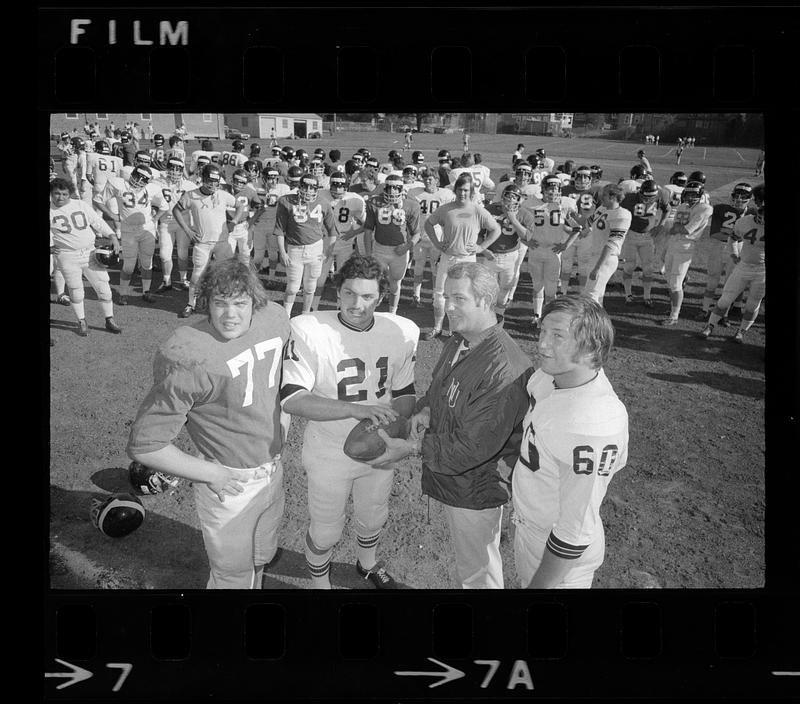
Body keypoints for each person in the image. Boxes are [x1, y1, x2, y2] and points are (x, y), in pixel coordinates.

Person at [127, 258, 291, 589]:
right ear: (207, 303)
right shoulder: (190, 353)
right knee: (232, 578)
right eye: (220, 303)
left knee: (260, 558)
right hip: (230, 481)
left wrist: (283, 421)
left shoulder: (274, 318)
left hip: (273, 468)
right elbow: (145, 445)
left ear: (255, 302)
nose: (230, 314)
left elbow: (283, 377)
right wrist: (211, 473)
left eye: (240, 303)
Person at [368, 262, 533, 588]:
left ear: (485, 301)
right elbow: (438, 389)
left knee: (478, 573)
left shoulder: (503, 369)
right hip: (458, 479)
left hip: (475, 486)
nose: (448, 306)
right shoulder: (460, 340)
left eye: (459, 298)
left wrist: (413, 447)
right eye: (447, 296)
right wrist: (426, 411)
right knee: (469, 565)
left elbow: (473, 447)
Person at [280, 254, 420, 589]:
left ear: (381, 297)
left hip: (377, 442)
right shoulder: (309, 328)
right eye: (349, 294)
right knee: (327, 527)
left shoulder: (400, 330)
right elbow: (292, 398)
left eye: (368, 296)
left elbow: (404, 391)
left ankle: (368, 565)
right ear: (337, 292)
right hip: (330, 448)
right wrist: (354, 409)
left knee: (374, 515)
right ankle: (319, 583)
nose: (357, 304)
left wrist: (397, 426)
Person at [512, 294, 628, 588]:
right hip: (531, 529)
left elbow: (574, 532)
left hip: (560, 560)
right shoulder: (548, 377)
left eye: (558, 336)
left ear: (591, 349)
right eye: (542, 332)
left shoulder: (592, 425)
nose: (542, 344)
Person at [421, 173, 501, 340]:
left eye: (466, 190)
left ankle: (455, 329)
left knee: (463, 294)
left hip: (467, 260)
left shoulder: (478, 210)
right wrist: (436, 242)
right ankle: (437, 327)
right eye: (459, 190)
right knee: (440, 293)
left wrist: (481, 247)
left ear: (471, 191)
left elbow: (496, 229)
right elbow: (428, 223)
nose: (462, 193)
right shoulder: (446, 209)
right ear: (455, 190)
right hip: (448, 257)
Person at [49, 178, 123, 337]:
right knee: (76, 291)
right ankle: (81, 321)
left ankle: (109, 319)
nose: (60, 197)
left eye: (64, 194)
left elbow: (97, 221)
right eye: (56, 193)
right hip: (67, 256)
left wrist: (112, 235)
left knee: (104, 288)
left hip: (90, 252)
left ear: (70, 194)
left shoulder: (80, 204)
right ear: (51, 193)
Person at [172, 164, 248, 318]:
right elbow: (176, 210)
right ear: (203, 179)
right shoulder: (191, 195)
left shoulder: (222, 194)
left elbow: (240, 206)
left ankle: (225, 303)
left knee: (226, 274)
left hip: (222, 242)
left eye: (216, 181)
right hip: (203, 243)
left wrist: (233, 221)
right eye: (210, 180)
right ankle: (190, 304)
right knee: (196, 276)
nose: (213, 184)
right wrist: (187, 230)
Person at [699, 183, 765, 344]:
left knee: (752, 304)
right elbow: (733, 238)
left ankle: (741, 331)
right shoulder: (746, 221)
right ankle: (710, 325)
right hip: (743, 265)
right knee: (725, 298)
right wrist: (734, 253)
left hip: (762, 270)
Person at [96, 165, 169, 305]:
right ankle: (123, 293)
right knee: (129, 265)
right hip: (128, 230)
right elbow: (98, 199)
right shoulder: (118, 184)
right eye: (137, 177)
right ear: (132, 174)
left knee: (147, 263)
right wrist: (111, 215)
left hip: (146, 229)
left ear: (147, 182)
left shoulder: (152, 189)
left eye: (142, 180)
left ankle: (146, 291)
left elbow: (164, 206)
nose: (138, 181)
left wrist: (154, 219)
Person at [274, 174, 339, 315]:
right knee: (292, 287)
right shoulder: (286, 201)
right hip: (295, 249)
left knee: (310, 287)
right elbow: (279, 230)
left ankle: (306, 315)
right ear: (300, 186)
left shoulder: (324, 203)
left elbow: (333, 231)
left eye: (312, 187)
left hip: (315, 248)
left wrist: (328, 251)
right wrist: (283, 252)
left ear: (317, 189)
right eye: (305, 186)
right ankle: (286, 316)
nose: (308, 190)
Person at [560, 184, 631, 307]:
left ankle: (591, 324)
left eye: (604, 195)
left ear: (613, 197)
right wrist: (568, 219)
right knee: (597, 296)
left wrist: (598, 267)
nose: (601, 198)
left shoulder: (622, 215)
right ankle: (599, 324)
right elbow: (586, 225)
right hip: (595, 256)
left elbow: (612, 244)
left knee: (589, 296)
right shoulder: (602, 209)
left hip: (606, 259)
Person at [525, 175, 579, 328]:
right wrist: (526, 241)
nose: (553, 192)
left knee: (551, 287)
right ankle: (537, 315)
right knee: (537, 285)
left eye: (556, 189)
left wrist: (565, 246)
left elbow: (578, 228)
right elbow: (518, 226)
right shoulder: (530, 204)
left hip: (553, 252)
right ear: (543, 189)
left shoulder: (565, 205)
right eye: (550, 188)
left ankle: (548, 317)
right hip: (536, 250)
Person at [362, 173, 421, 315]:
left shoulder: (411, 205)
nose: (393, 191)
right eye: (389, 188)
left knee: (395, 283)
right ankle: (371, 312)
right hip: (380, 248)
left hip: (399, 250)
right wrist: (369, 254)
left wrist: (407, 246)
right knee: (375, 281)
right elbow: (368, 231)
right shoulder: (374, 202)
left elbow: (417, 233)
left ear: (401, 189)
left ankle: (392, 314)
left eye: (396, 188)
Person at [479, 184, 538, 322]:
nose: (510, 199)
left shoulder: (525, 214)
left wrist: (512, 218)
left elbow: (527, 236)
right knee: (489, 289)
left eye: (514, 197)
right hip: (491, 255)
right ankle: (486, 317)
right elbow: (479, 233)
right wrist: (484, 249)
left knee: (505, 288)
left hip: (511, 256)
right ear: (503, 195)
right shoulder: (490, 209)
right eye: (508, 195)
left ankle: (499, 315)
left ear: (519, 199)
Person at [659, 181, 713, 325]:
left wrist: (677, 228)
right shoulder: (683, 206)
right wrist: (676, 230)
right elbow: (675, 228)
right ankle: (673, 309)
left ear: (700, 195)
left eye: (693, 194)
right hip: (673, 243)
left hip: (685, 246)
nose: (690, 196)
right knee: (670, 281)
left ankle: (674, 316)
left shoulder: (705, 208)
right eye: (688, 193)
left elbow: (686, 229)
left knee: (675, 284)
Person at [311, 172, 366, 311]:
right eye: (334, 186)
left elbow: (367, 223)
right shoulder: (321, 195)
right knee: (320, 278)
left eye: (340, 186)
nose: (337, 190)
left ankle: (340, 308)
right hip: (325, 243)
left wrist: (354, 232)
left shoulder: (355, 200)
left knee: (343, 279)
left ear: (346, 187)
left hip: (344, 244)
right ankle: (313, 308)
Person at [699, 183, 753, 319]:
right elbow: (716, 234)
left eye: (743, 197)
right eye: (737, 196)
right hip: (720, 246)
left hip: (739, 249)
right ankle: (705, 309)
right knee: (712, 279)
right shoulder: (721, 209)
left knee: (731, 283)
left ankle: (724, 315)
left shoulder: (753, 214)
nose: (739, 199)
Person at [406, 168, 456, 307]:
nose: (427, 181)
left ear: (437, 181)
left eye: (430, 179)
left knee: (436, 268)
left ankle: (435, 296)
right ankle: (416, 296)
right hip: (420, 235)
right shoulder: (415, 193)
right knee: (418, 266)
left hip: (437, 237)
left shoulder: (445, 194)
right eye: (425, 178)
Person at [154, 157, 197, 292]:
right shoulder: (157, 183)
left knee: (182, 253)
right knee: (164, 254)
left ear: (181, 170)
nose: (174, 172)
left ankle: (183, 279)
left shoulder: (189, 185)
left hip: (183, 222)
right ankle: (167, 281)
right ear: (167, 169)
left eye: (178, 169)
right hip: (166, 222)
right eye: (172, 168)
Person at [619, 179, 664, 306]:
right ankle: (628, 294)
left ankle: (647, 296)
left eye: (651, 197)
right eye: (645, 196)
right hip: (631, 235)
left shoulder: (660, 196)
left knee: (648, 268)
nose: (648, 200)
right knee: (629, 265)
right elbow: (616, 207)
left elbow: (667, 208)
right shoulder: (629, 198)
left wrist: (661, 225)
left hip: (648, 236)